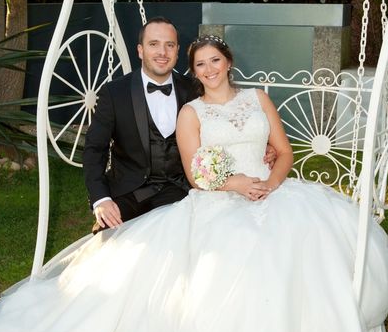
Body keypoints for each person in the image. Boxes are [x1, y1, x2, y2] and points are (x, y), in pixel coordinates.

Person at [0, 35, 388, 332]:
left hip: (273, 192)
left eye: (215, 61)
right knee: (238, 254)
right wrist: (235, 183)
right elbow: (196, 171)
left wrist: (269, 184)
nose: (209, 69)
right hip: (219, 199)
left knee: (312, 241)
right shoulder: (191, 112)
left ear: (229, 63)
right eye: (200, 65)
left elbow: (283, 152)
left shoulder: (258, 97)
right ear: (195, 71)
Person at [83, 17, 274, 231]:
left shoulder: (195, 89)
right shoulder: (115, 92)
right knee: (108, 243)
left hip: (181, 191)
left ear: (177, 51)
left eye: (169, 45)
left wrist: (266, 146)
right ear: (140, 50)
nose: (162, 52)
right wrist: (101, 199)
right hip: (129, 192)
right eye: (153, 44)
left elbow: (226, 122)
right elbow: (94, 149)